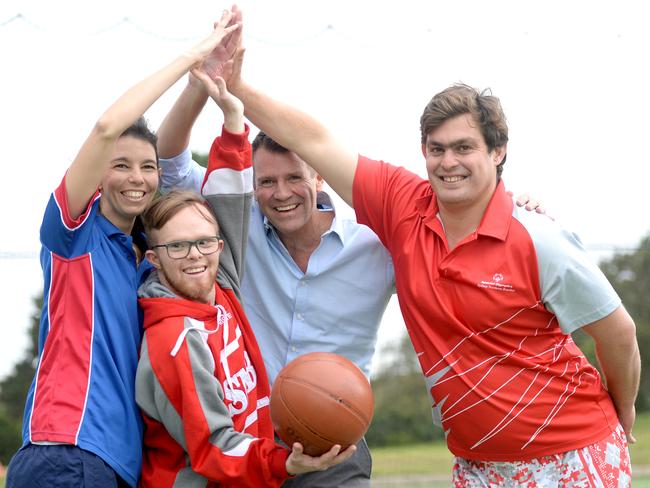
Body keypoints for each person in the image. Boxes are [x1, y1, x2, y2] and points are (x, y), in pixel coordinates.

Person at [217, 44, 641, 487]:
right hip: (476, 466)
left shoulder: (539, 237)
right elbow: (314, 141)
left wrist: (623, 406)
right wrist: (238, 87)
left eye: (464, 148)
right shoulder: (400, 205)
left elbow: (617, 332)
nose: (448, 162)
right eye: (437, 149)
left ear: (497, 152)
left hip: (571, 455)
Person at [156, 30, 548, 488]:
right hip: (246, 434)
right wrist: (198, 85)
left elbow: (454, 231)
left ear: (319, 175)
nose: (280, 194)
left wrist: (511, 206)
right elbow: (170, 165)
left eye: (294, 178)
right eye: (266, 181)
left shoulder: (376, 239)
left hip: (334, 436)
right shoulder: (234, 223)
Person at [6, 11, 242, 488]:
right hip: (66, 449)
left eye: (147, 167)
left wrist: (206, 79)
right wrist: (190, 56)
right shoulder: (74, 233)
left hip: (116, 464)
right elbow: (106, 127)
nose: (137, 178)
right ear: (100, 174)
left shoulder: (148, 256)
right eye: (121, 165)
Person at [135, 73, 353, 487]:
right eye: (177, 247)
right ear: (154, 260)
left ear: (220, 245)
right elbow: (213, 445)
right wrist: (281, 464)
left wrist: (233, 118)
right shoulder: (173, 340)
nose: (195, 255)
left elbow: (230, 198)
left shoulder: (221, 289)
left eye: (203, 242)